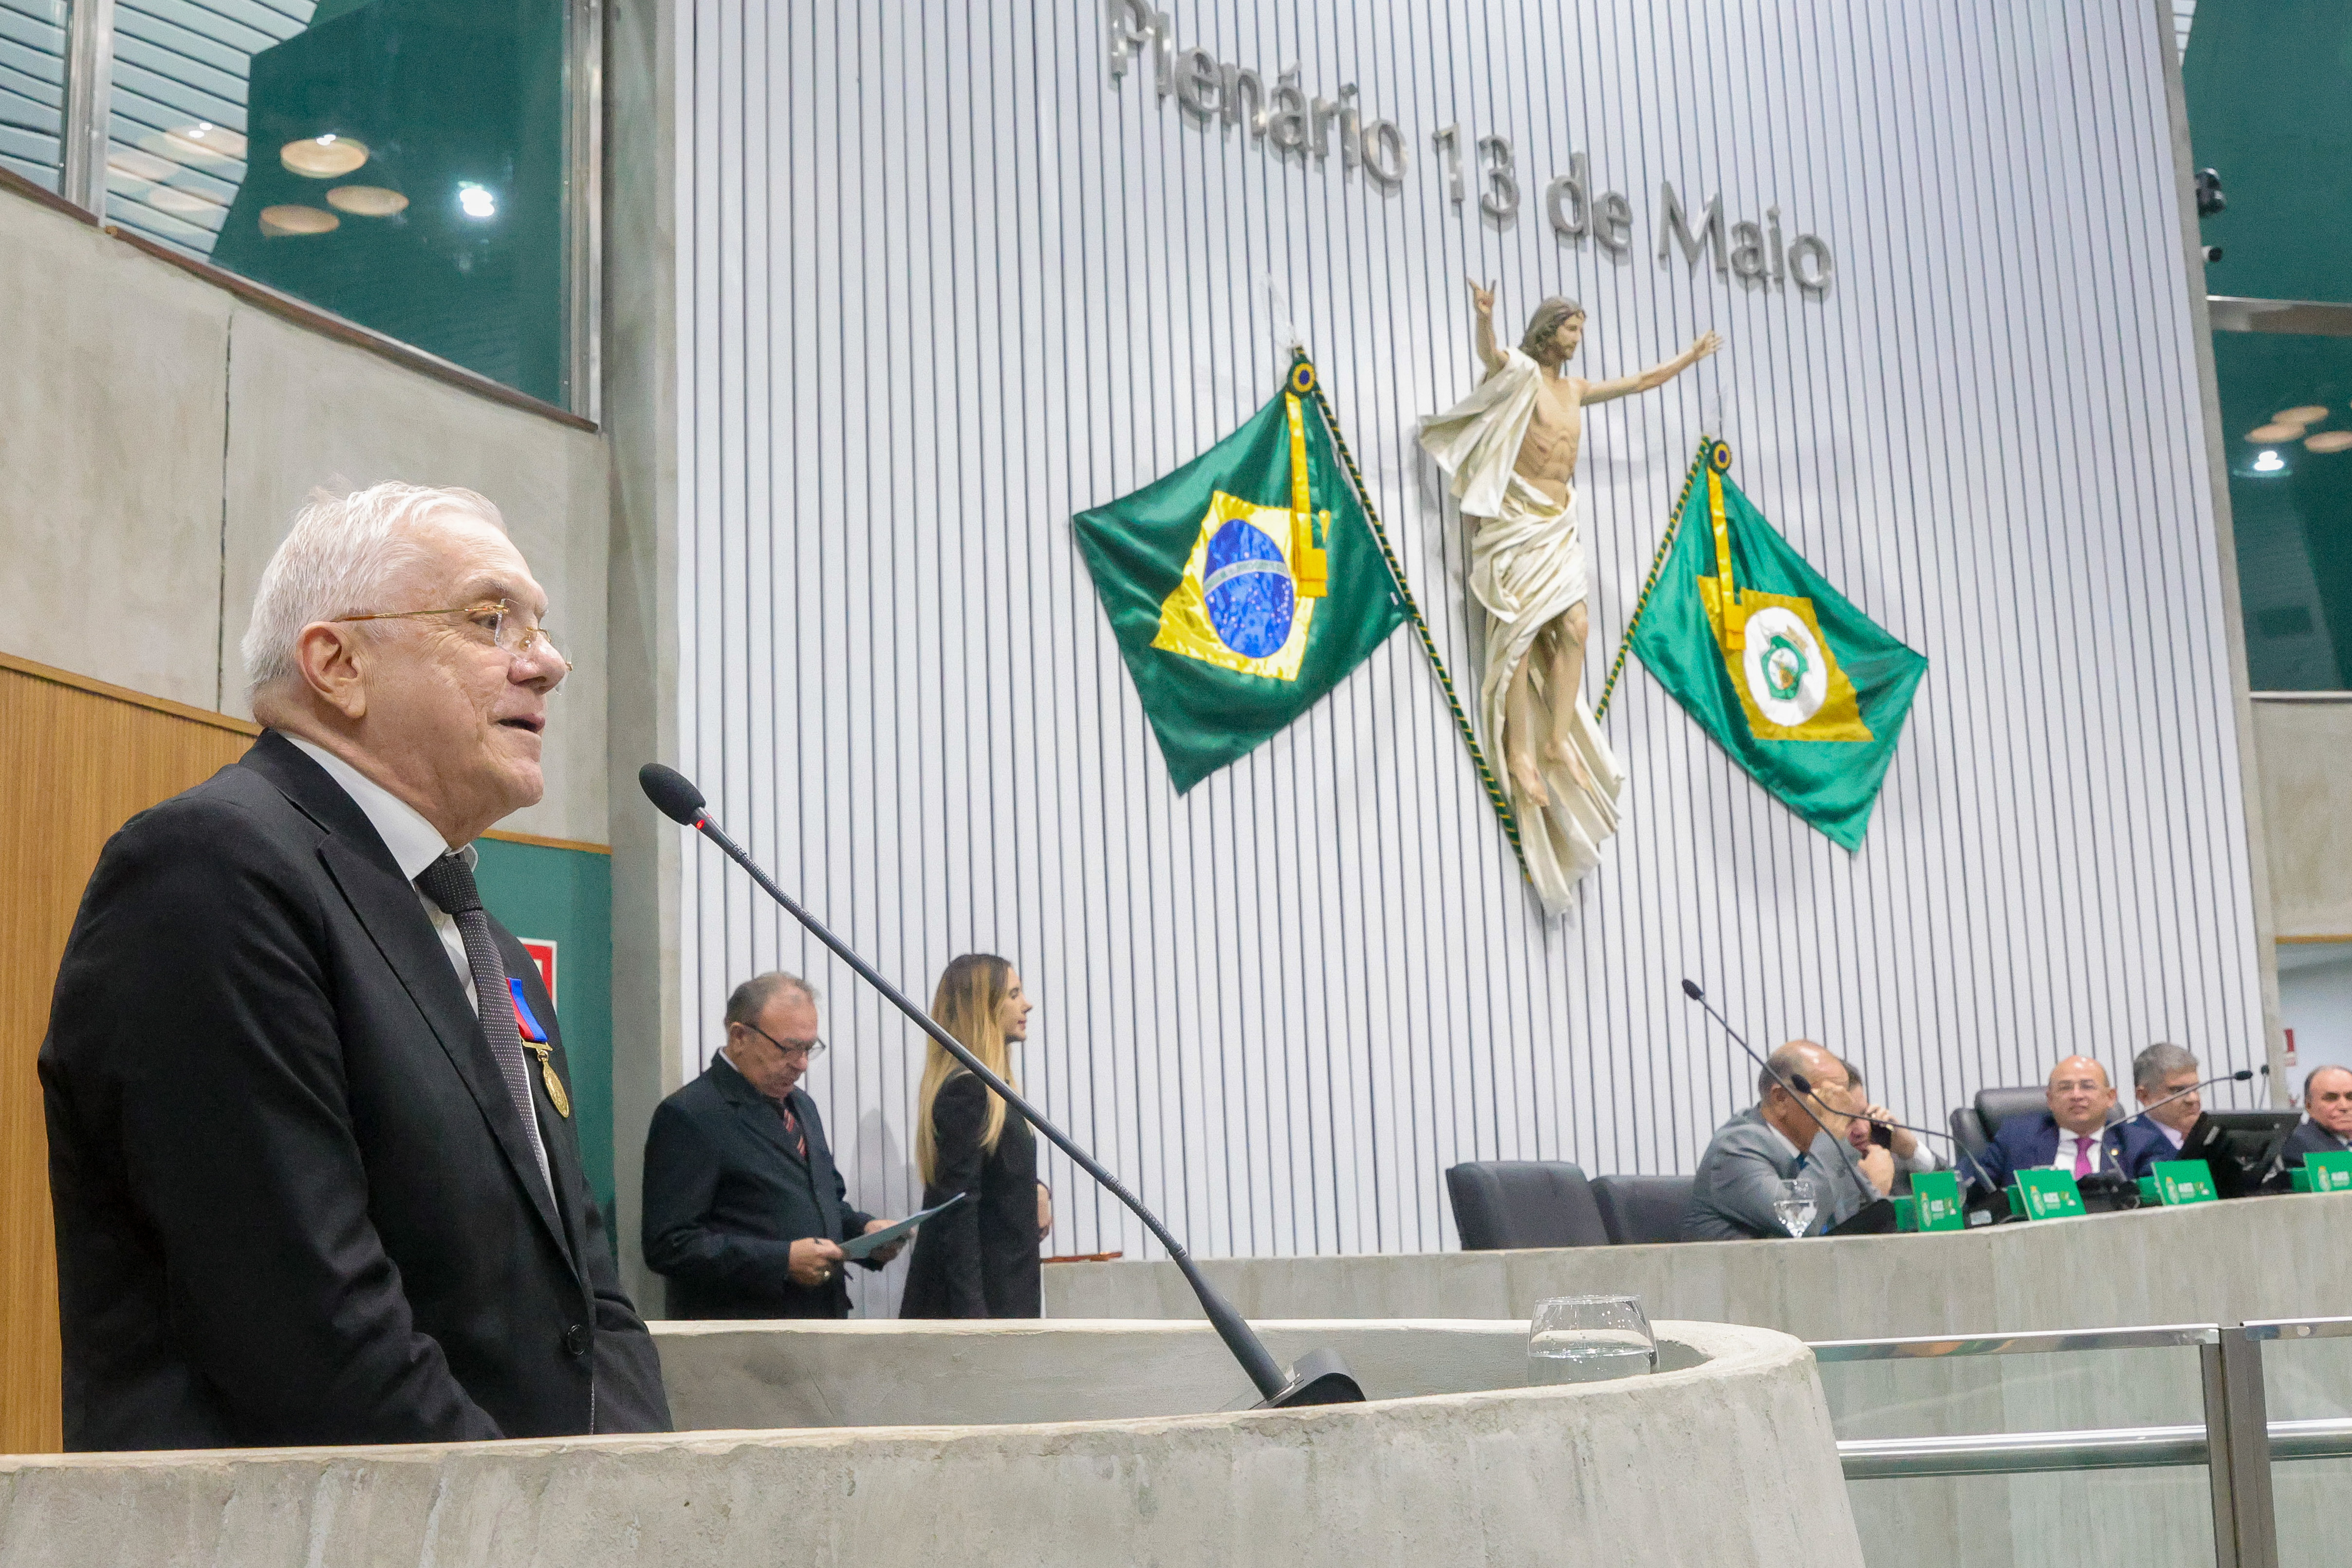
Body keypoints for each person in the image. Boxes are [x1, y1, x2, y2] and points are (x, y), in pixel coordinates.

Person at [40, 483, 670, 1450]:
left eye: (541, 627)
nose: (546, 663)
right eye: (490, 619)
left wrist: (627, 1486)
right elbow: (309, 1324)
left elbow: (589, 1295)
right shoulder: (209, 871)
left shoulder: (489, 945)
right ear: (338, 664)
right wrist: (525, 1517)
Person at [1419, 283, 1721, 912]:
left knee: (1578, 627)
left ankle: (1555, 740)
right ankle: (1521, 753)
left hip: (1557, 524)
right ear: (1548, 329)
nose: (1577, 339)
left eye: (1580, 330)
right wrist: (1484, 318)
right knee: (1521, 635)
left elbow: (1639, 383)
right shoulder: (1523, 375)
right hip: (1519, 521)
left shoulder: (1576, 390)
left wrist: (1689, 358)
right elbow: (1490, 357)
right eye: (1571, 329)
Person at [641, 972, 906, 1318]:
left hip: (823, 1323)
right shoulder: (690, 1114)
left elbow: (823, 1202)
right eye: (788, 1048)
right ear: (740, 1036)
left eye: (808, 1048)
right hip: (747, 1331)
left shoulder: (802, 1106)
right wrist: (782, 1261)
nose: (802, 1064)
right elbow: (669, 1245)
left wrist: (866, 1232)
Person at [900, 954, 1045, 1317]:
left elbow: (996, 1172)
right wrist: (975, 1323)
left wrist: (1036, 1189)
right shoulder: (967, 1093)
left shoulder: (995, 1092)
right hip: (981, 1308)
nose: (1027, 1004)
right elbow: (957, 1214)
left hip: (1005, 1298)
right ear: (983, 1008)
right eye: (1014, 994)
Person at [1681, 1040, 1856, 1240]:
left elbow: (1863, 1219)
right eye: (1830, 1099)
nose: (1842, 1112)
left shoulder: (1818, 1148)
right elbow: (1799, 1221)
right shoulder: (1735, 1150)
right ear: (1781, 1098)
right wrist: (1831, 1136)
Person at [1968, 1056, 2168, 1195]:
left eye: (2087, 1086)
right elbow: (1967, 1188)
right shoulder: (2016, 1140)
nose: (2077, 1095)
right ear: (2050, 1100)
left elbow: (2160, 1198)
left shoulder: (2139, 1143)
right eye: (2065, 1088)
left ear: (2110, 1097)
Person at [1830, 1057, 1948, 1198]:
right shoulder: (1815, 1176)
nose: (1863, 1130)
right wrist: (1875, 1188)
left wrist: (1912, 1150)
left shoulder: (1891, 1159)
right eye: (1847, 1121)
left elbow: (1955, 1200)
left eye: (1863, 1114)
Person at [2128, 1042, 2205, 1157]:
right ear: (2144, 1096)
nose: (2194, 1099)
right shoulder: (2129, 1145)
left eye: (2196, 1088)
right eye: (2178, 1090)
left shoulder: (2214, 1137)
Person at [2283, 1065, 2352, 1167]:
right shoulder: (2298, 1144)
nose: (2344, 1106)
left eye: (2351, 1097)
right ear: (2309, 1105)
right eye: (2331, 1098)